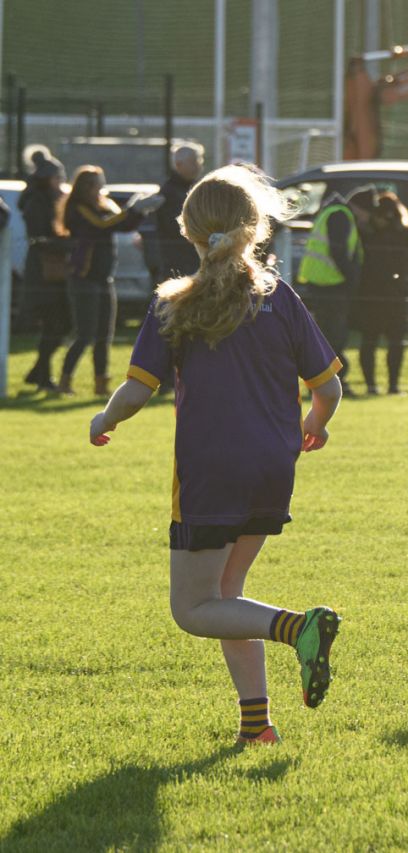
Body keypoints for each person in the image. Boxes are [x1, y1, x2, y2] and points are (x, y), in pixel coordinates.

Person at [87, 165, 344, 744]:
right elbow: (327, 389)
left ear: (189, 231)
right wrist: (315, 427)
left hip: (210, 472)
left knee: (193, 609)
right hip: (273, 467)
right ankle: (257, 726)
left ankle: (298, 627)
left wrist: (103, 420)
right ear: (256, 229)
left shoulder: (176, 303)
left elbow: (135, 392)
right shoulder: (281, 299)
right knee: (227, 594)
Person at [59, 165, 159, 396]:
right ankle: (65, 380)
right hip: (84, 278)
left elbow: (122, 224)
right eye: (96, 184)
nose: (100, 188)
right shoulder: (78, 208)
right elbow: (101, 225)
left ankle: (101, 384)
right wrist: (132, 209)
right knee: (85, 334)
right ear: (85, 187)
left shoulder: (103, 204)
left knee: (105, 335)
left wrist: (138, 211)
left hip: (104, 278)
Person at [296, 187, 373, 395]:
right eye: (367, 214)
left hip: (323, 282)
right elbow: (338, 251)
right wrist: (351, 279)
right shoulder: (341, 216)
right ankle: (333, 382)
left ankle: (326, 381)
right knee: (334, 335)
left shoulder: (333, 213)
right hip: (331, 284)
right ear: (360, 209)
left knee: (329, 335)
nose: (366, 220)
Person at [356, 191, 408, 395]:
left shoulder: (367, 232)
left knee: (370, 340)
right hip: (395, 293)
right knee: (395, 341)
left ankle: (372, 385)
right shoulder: (403, 232)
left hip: (371, 292)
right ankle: (393, 385)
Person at [20, 147, 71, 393]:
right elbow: (41, 236)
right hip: (45, 271)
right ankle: (42, 375)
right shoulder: (37, 202)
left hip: (51, 270)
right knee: (54, 324)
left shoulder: (45, 199)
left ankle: (39, 372)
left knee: (59, 325)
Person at [155, 142, 205, 279]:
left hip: (190, 257)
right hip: (178, 260)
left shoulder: (193, 188)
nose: (199, 166)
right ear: (179, 164)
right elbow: (173, 225)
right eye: (194, 162)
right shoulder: (170, 192)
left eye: (200, 161)